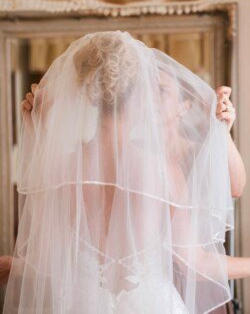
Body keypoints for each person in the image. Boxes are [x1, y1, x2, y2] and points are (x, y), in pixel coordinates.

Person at [0, 30, 248, 313]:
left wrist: (39, 132)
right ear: (139, 93)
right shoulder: (163, 171)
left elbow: (49, 263)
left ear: (88, 94)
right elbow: (196, 264)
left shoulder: (60, 168)